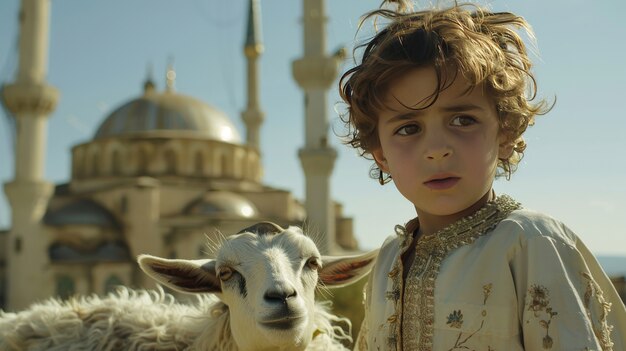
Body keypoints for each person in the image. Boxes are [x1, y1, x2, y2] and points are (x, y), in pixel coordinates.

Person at [339, 2, 626, 350]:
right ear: (381, 154)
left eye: (462, 120)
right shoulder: (388, 258)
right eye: (409, 128)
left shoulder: (531, 243)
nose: (437, 149)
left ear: (505, 134)